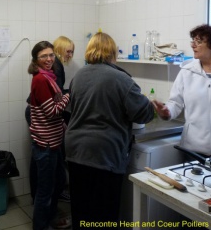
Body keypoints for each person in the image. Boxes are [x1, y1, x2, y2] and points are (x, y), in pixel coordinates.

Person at [65, 32, 154, 229]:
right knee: (104, 213)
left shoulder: (79, 76)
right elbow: (143, 114)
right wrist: (152, 105)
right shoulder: (122, 79)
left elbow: (72, 109)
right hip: (104, 153)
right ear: (112, 52)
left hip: (76, 150)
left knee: (81, 208)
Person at [152, 24, 211, 155]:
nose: (193, 45)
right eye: (193, 41)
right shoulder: (187, 72)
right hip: (193, 151)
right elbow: (175, 103)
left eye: (199, 41)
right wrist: (166, 112)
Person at [25, 36, 75, 203]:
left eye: (50, 55)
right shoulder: (50, 72)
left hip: (38, 114)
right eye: (68, 51)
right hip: (44, 121)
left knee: (42, 162)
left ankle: (43, 196)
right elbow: (54, 106)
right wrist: (70, 94)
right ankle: (48, 198)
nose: (70, 55)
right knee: (47, 167)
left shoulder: (48, 72)